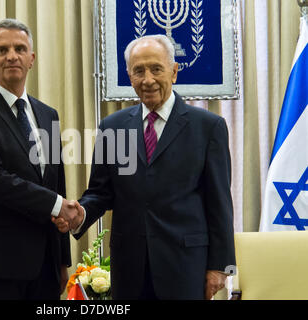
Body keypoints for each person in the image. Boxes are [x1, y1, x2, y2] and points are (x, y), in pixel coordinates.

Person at [54, 35, 235, 300]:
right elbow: (101, 192)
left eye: (156, 69)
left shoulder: (208, 127)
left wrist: (221, 267)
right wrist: (80, 213)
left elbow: (219, 202)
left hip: (186, 266)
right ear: (129, 76)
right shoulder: (111, 127)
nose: (147, 79)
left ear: (173, 72)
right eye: (139, 71)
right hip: (130, 269)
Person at [0, 18, 80, 300]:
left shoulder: (48, 115)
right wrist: (58, 206)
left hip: (45, 265)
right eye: (2, 50)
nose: (11, 56)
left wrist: (62, 261)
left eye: (20, 48)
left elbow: (57, 186)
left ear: (31, 59)